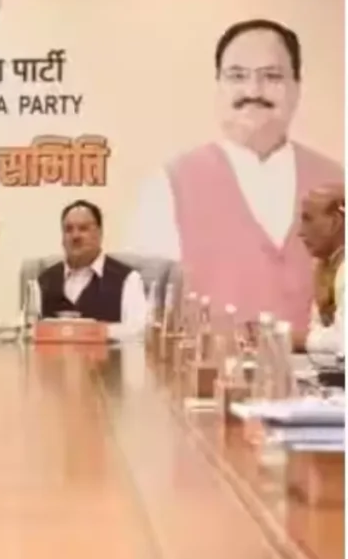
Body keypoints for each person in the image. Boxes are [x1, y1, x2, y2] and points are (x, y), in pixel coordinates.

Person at [125, 19, 342, 329]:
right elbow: (145, 316)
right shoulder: (167, 187)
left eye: (272, 76)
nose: (253, 91)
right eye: (237, 76)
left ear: (297, 87)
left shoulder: (337, 182)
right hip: (206, 361)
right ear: (218, 87)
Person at [37, 200, 148, 341]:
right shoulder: (44, 281)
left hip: (109, 355)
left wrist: (93, 332)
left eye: (83, 228)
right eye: (68, 229)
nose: (75, 236)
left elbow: (139, 332)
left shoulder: (128, 279)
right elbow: (29, 330)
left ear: (100, 233)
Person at [295, 183, 344, 360]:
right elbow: (321, 331)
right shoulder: (325, 266)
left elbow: (343, 340)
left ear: (335, 222)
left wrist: (292, 339)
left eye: (308, 219)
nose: (300, 232)